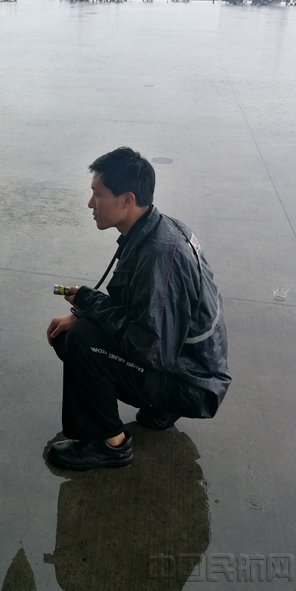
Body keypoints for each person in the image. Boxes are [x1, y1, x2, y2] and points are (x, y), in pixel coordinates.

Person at [46, 147, 230, 471]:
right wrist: (82, 311)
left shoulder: (159, 255)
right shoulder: (156, 229)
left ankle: (109, 443)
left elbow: (150, 349)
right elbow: (140, 310)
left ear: (127, 199)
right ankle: (159, 409)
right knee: (71, 331)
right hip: (189, 367)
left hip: (189, 381)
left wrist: (89, 309)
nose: (91, 203)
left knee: (82, 341)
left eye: (97, 194)